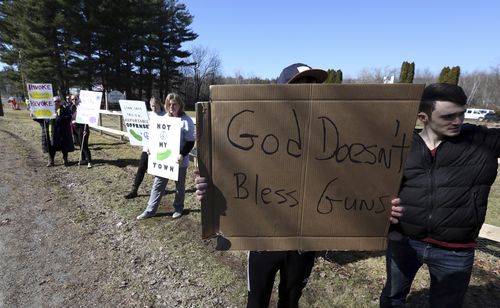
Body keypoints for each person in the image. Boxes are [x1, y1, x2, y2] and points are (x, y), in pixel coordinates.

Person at [194, 63, 404, 308]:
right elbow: (230, 174)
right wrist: (209, 190)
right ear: (281, 92)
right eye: (300, 86)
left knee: (291, 299)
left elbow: (356, 181)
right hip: (263, 240)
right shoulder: (254, 130)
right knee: (257, 299)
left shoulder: (333, 136)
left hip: (304, 245)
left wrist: (380, 206)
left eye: (313, 86)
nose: (308, 92)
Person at [379, 83, 500, 308]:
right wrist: (381, 205)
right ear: (423, 117)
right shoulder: (402, 145)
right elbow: (374, 186)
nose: (459, 121)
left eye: (462, 114)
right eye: (449, 116)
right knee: (393, 296)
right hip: (404, 240)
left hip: (456, 250)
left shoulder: (482, 141)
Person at [136, 93, 195, 219]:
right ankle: (150, 210)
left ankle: (178, 208)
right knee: (158, 184)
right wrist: (151, 149)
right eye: (169, 104)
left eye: (174, 104)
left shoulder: (186, 121)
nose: (171, 107)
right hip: (164, 160)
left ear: (180, 105)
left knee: (179, 186)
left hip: (179, 161)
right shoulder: (163, 119)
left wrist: (182, 154)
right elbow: (157, 137)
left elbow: (190, 141)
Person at [124, 97, 165, 199]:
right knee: (141, 168)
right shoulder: (147, 116)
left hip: (160, 148)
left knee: (158, 171)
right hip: (147, 147)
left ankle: (160, 190)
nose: (154, 108)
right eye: (152, 106)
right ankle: (134, 190)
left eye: (156, 105)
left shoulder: (165, 116)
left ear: (160, 104)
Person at [32, 96, 75, 167]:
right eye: (55, 101)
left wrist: (58, 117)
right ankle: (51, 161)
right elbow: (42, 120)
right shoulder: (47, 111)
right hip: (51, 132)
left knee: (64, 147)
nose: (56, 103)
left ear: (60, 102)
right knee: (51, 147)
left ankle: (65, 160)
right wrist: (34, 117)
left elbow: (69, 118)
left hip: (62, 132)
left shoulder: (64, 110)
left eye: (58, 101)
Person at [72, 95, 93, 168]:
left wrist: (85, 129)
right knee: (80, 145)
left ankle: (89, 162)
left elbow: (86, 120)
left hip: (82, 129)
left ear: (78, 99)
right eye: (72, 99)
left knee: (84, 146)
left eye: (75, 99)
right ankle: (84, 160)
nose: (74, 100)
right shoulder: (73, 108)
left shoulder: (83, 108)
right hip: (75, 129)